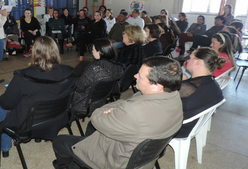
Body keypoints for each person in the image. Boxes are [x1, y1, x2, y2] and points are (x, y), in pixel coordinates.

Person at [52, 56, 183, 169]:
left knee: (60, 142)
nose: (135, 76)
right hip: (141, 158)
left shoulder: (133, 112)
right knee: (91, 129)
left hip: (115, 162)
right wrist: (119, 108)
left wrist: (105, 110)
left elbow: (96, 117)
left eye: (141, 76)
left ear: (156, 86)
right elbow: (127, 103)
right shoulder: (174, 97)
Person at [0, 36, 75, 158]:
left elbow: (6, 103)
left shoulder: (23, 77)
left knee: (2, 107)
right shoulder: (69, 72)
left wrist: (11, 90)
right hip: (58, 119)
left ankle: (5, 147)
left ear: (34, 52)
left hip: (28, 126)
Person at [177, 47, 224, 138]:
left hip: (179, 128)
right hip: (193, 125)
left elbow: (163, 99)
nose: (187, 60)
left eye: (190, 58)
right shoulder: (211, 82)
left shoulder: (190, 87)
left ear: (198, 62)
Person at [73, 38, 124, 114]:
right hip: (101, 101)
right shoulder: (118, 68)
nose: (92, 51)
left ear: (100, 52)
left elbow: (79, 88)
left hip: (84, 105)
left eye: (93, 49)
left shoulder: (94, 69)